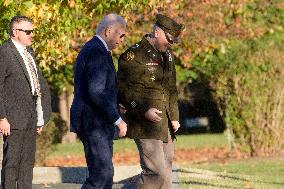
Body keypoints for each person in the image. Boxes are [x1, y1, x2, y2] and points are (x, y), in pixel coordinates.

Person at [117, 13, 184, 189]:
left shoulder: (167, 55)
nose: (170, 44)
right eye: (169, 39)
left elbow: (171, 88)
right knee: (155, 173)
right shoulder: (133, 55)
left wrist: (174, 116)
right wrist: (143, 110)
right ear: (157, 32)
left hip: (165, 122)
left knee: (166, 173)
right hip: (144, 123)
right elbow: (124, 91)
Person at [70, 13, 127, 189]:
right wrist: (117, 119)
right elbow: (96, 92)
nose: (121, 40)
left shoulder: (99, 50)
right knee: (101, 177)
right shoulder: (95, 51)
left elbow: (103, 89)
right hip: (93, 123)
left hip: (97, 122)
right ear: (109, 31)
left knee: (105, 175)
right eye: (121, 35)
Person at [0, 16, 51, 189]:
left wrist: (40, 117)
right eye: (27, 31)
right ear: (15, 32)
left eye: (32, 31)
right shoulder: (5, 52)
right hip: (12, 120)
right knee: (12, 164)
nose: (31, 35)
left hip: (30, 119)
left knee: (27, 165)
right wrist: (2, 117)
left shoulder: (29, 54)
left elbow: (37, 87)